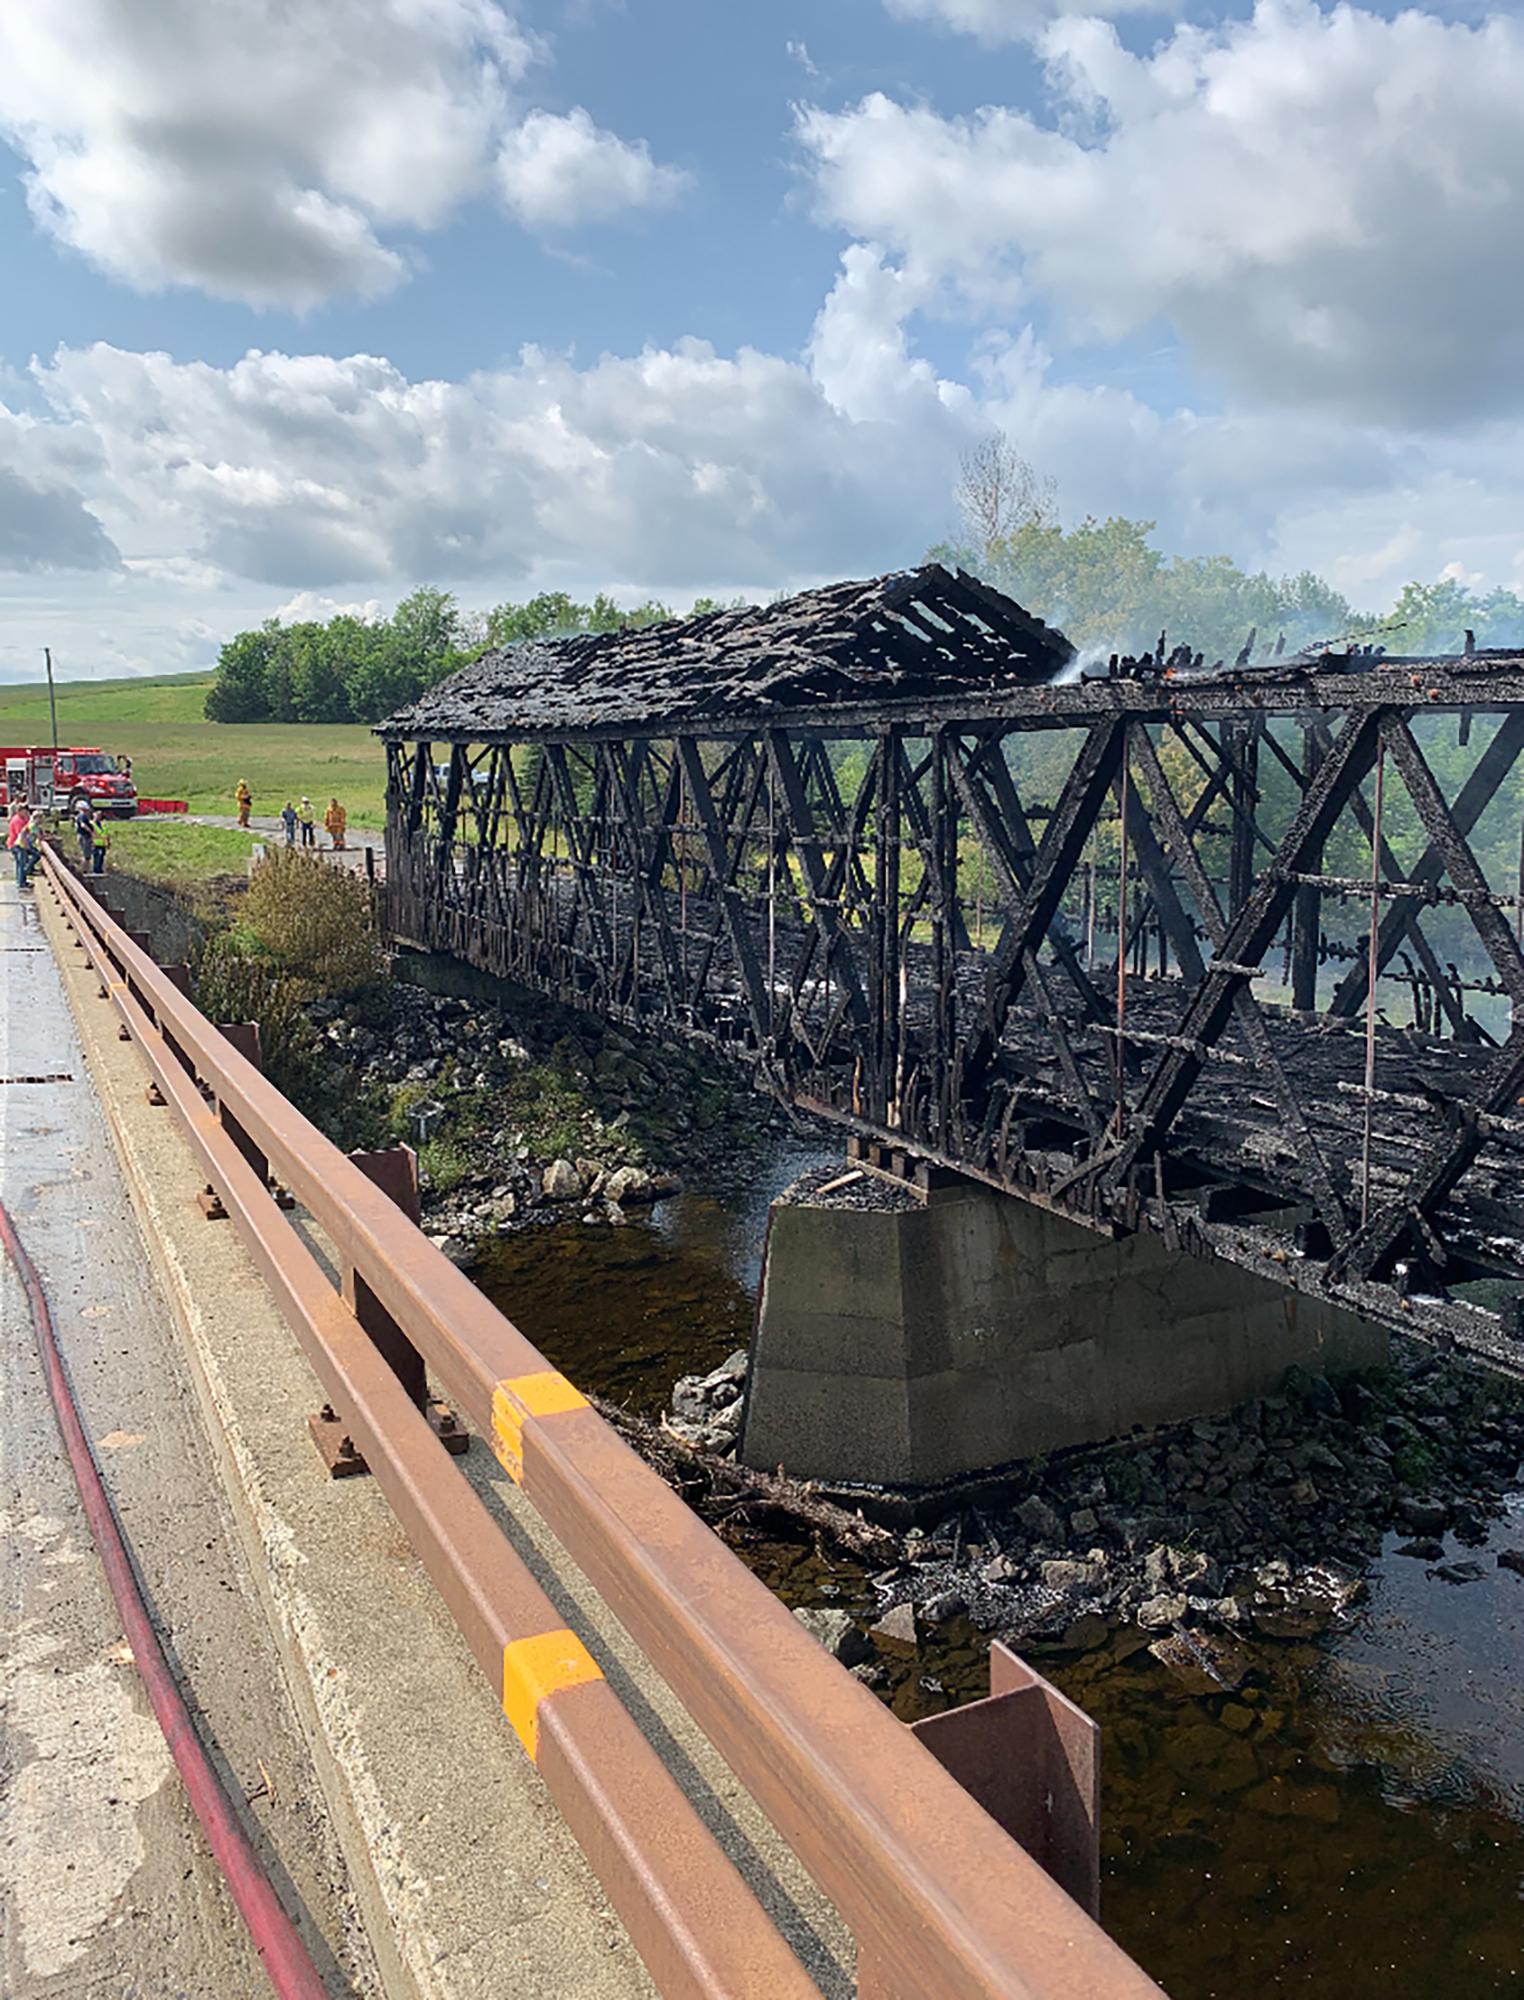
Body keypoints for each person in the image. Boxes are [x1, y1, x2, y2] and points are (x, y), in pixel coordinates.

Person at [8, 805, 38, 889]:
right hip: (17, 845)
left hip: (18, 844)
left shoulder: (23, 818)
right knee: (21, 864)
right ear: (20, 811)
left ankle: (21, 881)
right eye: (24, 811)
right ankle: (21, 883)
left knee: (20, 864)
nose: (26, 813)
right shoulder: (17, 820)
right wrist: (26, 846)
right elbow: (21, 834)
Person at [75, 803, 96, 867]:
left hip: (82, 836)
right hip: (85, 837)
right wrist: (91, 832)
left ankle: (85, 869)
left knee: (85, 854)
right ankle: (85, 870)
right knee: (86, 856)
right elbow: (83, 825)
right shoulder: (82, 816)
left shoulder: (79, 816)